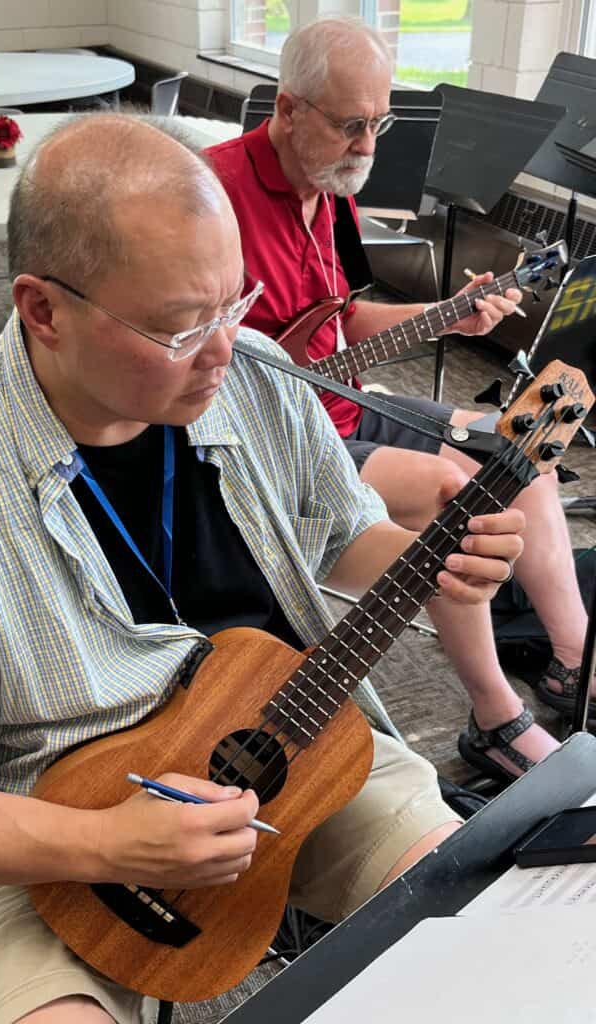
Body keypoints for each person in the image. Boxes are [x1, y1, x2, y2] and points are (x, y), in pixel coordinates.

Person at [0, 114, 524, 1024]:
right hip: (41, 812)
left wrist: (435, 567)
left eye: (233, 303)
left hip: (290, 743)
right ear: (43, 309)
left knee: (476, 948)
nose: (226, 351)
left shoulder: (256, 374)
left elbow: (336, 539)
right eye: (179, 327)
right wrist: (106, 842)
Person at [203, 15, 591, 780]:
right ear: (287, 110)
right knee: (460, 494)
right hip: (268, 447)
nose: (368, 148)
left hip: (341, 405)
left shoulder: (334, 193)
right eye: (352, 126)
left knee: (523, 445)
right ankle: (496, 721)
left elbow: (342, 324)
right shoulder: (213, 201)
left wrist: (450, 311)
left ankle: (574, 662)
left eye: (379, 123)